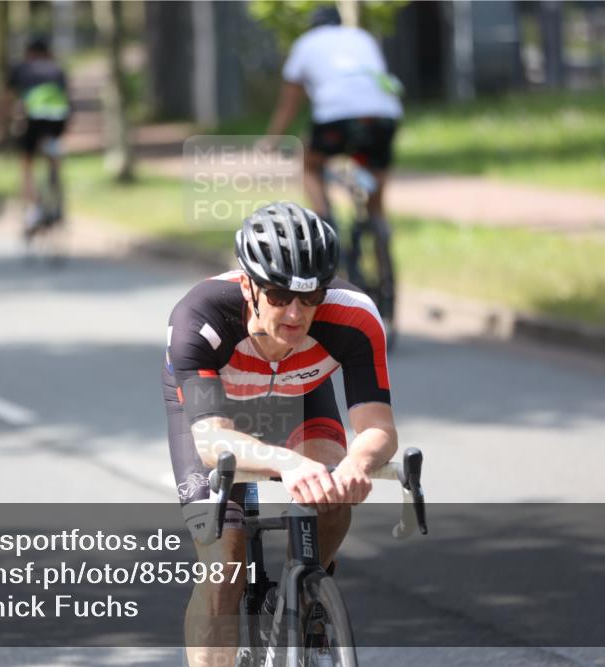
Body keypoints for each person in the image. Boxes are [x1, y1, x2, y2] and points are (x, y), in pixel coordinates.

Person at [163, 201, 397, 666]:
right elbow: (212, 443)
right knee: (224, 569)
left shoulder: (354, 318)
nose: (295, 313)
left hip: (301, 391)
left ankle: (304, 596)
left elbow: (378, 428)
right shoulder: (200, 317)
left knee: (329, 492)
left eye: (311, 298)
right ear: (248, 284)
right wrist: (288, 463)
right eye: (278, 295)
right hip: (218, 411)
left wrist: (355, 466)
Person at [262, 5, 403, 323]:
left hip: (336, 117)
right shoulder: (362, 37)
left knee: (309, 164)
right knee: (373, 183)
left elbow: (289, 102)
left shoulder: (305, 45)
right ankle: (378, 226)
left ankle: (325, 221)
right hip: (383, 115)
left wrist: (272, 140)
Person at [4, 34, 71, 243]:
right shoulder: (57, 69)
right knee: (52, 151)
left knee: (27, 163)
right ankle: (56, 192)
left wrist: (2, 128)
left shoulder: (21, 69)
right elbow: (67, 97)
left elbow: (6, 100)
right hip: (58, 118)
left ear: (28, 53)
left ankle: (33, 211)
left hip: (34, 118)